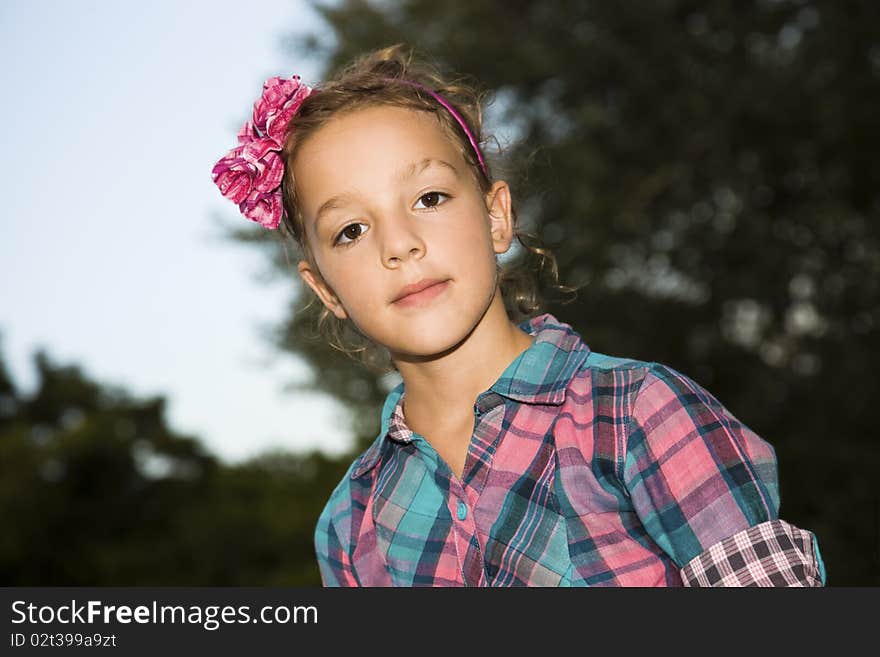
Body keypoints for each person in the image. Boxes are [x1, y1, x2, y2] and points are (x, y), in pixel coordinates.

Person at [211, 44, 826, 587]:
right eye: (350, 229)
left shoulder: (639, 413)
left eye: (428, 198)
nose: (397, 244)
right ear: (326, 291)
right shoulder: (352, 524)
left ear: (495, 216)